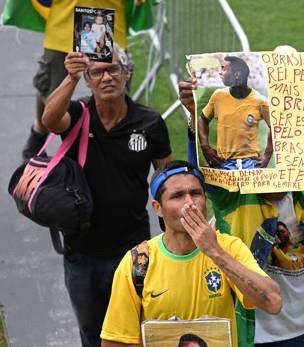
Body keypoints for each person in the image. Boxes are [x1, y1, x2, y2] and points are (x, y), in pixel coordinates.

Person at [179, 79, 304, 347]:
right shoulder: (234, 197)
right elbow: (196, 172)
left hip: (301, 333)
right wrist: (195, 118)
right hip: (248, 334)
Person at [41, 45, 173, 347]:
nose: (106, 77)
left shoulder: (150, 123)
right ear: (89, 79)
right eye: (97, 72)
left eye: (113, 69)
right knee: (92, 332)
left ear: (126, 73)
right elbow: (50, 120)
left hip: (133, 250)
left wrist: (174, 233)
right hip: (82, 252)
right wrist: (70, 78)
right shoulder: (78, 114)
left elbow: (166, 180)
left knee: (136, 332)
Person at [100, 161, 282, 347]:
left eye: (196, 193)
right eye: (177, 196)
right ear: (157, 208)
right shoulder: (138, 262)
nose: (190, 203)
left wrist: (214, 251)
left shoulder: (228, 248)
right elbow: (114, 341)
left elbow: (273, 302)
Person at [23, 0, 148, 162]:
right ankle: (39, 132)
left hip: (105, 17)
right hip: (64, 19)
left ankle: (114, 143)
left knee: (111, 88)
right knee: (49, 87)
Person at [198, 56, 273, 170]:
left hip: (251, 164)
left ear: (237, 74)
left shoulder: (260, 101)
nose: (220, 72)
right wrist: (205, 146)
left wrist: (267, 155)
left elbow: (275, 127)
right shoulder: (218, 96)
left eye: (224, 69)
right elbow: (203, 119)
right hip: (223, 162)